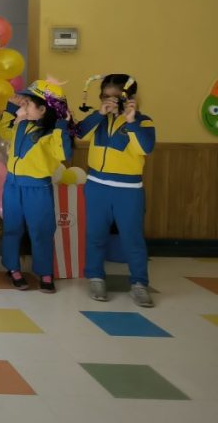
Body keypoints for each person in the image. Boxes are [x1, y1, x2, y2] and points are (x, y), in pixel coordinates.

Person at [76, 74, 156, 307]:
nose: (109, 101)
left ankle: (139, 283)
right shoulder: (99, 119)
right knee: (95, 235)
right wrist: (99, 114)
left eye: (115, 97)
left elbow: (146, 147)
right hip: (96, 186)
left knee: (132, 238)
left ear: (127, 97)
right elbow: (79, 132)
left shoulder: (143, 121)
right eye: (104, 96)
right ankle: (95, 277)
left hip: (128, 190)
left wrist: (131, 121)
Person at [0, 79, 73, 293]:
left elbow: (63, 153)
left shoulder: (52, 133)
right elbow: (4, 131)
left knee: (41, 230)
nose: (24, 106)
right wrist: (12, 107)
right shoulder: (22, 124)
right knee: (12, 228)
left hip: (37, 189)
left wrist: (61, 125)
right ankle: (12, 268)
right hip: (12, 186)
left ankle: (45, 272)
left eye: (28, 103)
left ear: (43, 110)